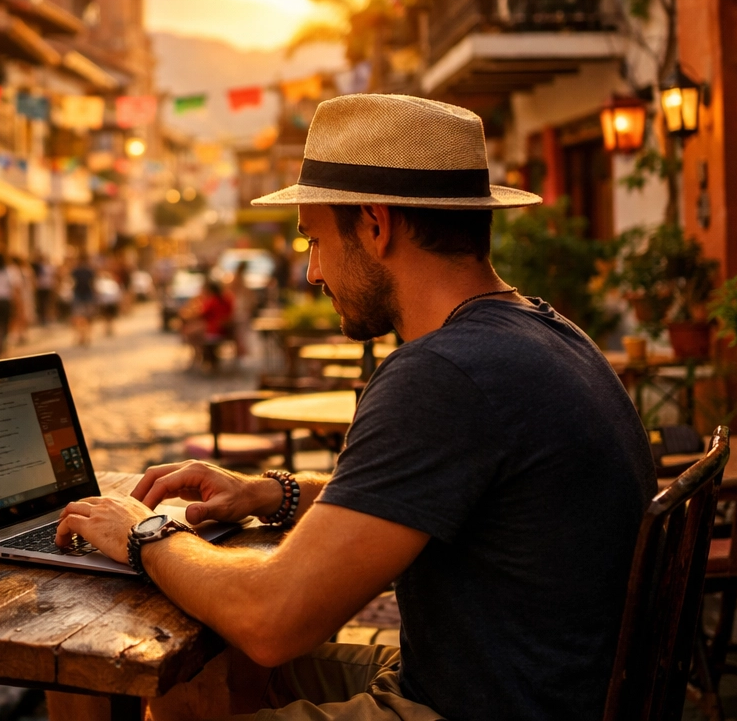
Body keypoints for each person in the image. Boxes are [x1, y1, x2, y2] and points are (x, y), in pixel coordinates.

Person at [53, 94, 655, 721]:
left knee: (197, 662)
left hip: (472, 705)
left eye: (314, 239)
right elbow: (422, 498)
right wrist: (272, 494)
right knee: (202, 668)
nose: (312, 271)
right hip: (524, 682)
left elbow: (272, 619)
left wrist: (144, 533)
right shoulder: (540, 332)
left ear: (374, 223)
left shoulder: (443, 373)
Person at [69, 253, 96, 346]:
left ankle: (82, 336)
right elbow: (93, 284)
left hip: (81, 295)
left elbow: (71, 282)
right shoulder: (89, 270)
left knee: (80, 317)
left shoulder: (77, 270)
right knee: (85, 317)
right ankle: (84, 336)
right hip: (85, 295)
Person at [34, 253, 56, 325]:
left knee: (47, 303)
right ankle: (42, 317)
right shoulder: (38, 267)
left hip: (47, 287)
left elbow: (53, 277)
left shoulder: (49, 267)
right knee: (41, 303)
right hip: (41, 287)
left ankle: (47, 317)